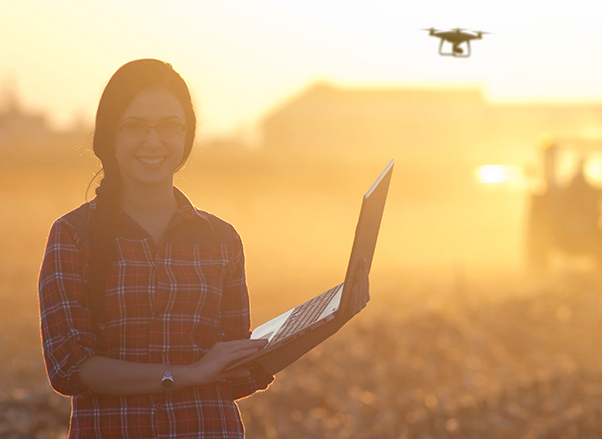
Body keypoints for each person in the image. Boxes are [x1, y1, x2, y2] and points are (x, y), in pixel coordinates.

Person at [38, 59, 369, 438]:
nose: (153, 141)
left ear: (186, 136)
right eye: (135, 126)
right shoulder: (73, 235)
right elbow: (70, 368)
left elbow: (233, 374)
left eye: (169, 126)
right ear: (110, 134)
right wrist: (187, 374)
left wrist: (331, 320)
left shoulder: (221, 240)